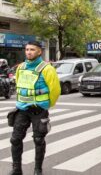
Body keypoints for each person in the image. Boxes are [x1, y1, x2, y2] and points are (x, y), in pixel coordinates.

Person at [8, 41, 60, 175]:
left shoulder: (47, 68)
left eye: (32, 49)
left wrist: (46, 105)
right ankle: (16, 170)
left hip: (38, 110)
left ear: (39, 52)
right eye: (27, 49)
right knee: (15, 139)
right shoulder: (21, 67)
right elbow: (20, 85)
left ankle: (37, 170)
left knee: (38, 140)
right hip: (22, 110)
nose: (29, 52)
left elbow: (55, 90)